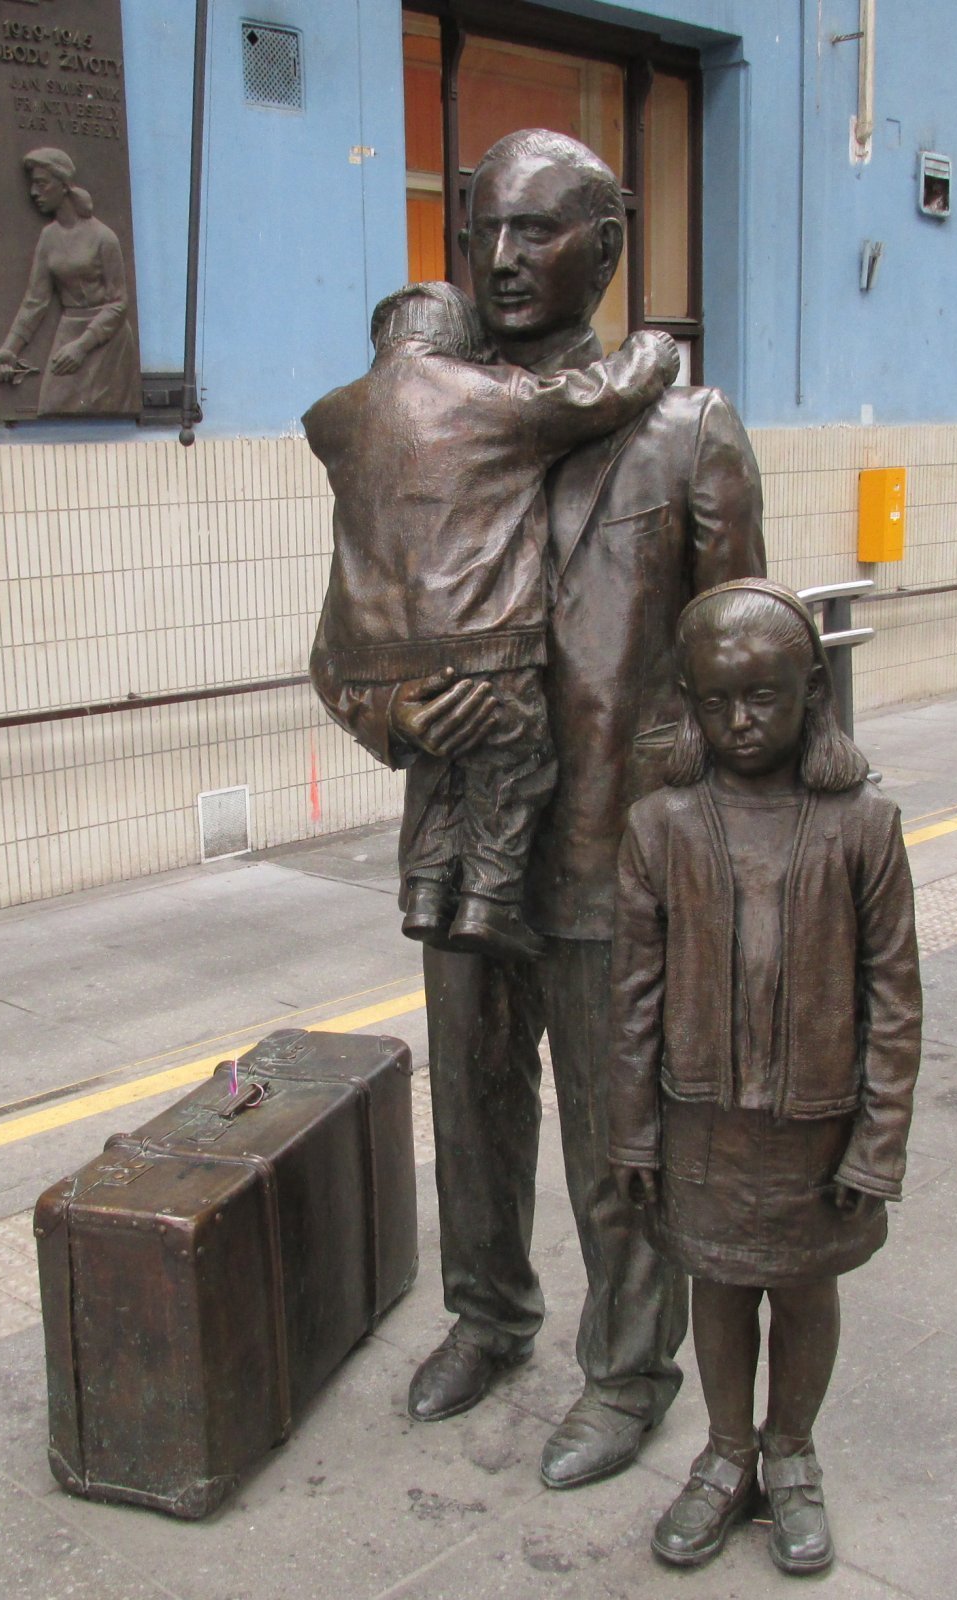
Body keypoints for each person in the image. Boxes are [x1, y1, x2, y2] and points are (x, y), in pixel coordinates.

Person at [310, 129, 765, 1489]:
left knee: (619, 1124)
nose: (502, 258)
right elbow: (345, 643)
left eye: (537, 232)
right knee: (474, 1098)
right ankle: (487, 1316)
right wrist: (389, 717)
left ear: (608, 250)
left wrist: (766, 862)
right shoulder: (417, 410)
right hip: (463, 824)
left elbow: (754, 655)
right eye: (485, 231)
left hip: (617, 842)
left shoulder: (688, 430)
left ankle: (627, 1373)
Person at [607, 579, 921, 1574]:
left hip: (819, 1129)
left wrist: (878, 1145)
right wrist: (631, 1129)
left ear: (810, 695)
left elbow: (895, 999)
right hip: (700, 1121)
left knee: (805, 1283)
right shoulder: (660, 825)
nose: (741, 721)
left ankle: (789, 1453)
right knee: (720, 1278)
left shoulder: (863, 823)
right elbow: (633, 999)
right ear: (689, 703)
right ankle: (726, 1449)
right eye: (717, 701)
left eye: (765, 698)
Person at [303, 281, 681, 961]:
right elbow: (602, 394)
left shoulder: (335, 417)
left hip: (383, 656)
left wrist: (388, 712)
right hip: (487, 639)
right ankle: (485, 902)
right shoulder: (491, 395)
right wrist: (651, 348)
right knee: (517, 760)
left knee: (440, 762)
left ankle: (423, 890)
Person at [0, 147, 139, 416]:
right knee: (51, 406)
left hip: (105, 341)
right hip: (68, 331)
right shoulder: (48, 238)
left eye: (41, 183)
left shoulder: (104, 237)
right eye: (32, 184)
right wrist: (10, 349)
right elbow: (35, 301)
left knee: (99, 411)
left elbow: (118, 304)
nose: (34, 192)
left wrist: (82, 347)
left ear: (64, 185)